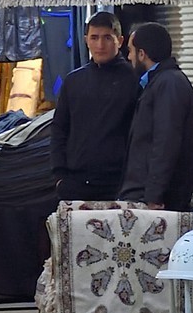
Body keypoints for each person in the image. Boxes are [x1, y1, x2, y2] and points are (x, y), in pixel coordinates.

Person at [50, 12, 140, 202]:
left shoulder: (134, 80)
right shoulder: (74, 81)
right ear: (86, 40)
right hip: (75, 183)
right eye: (94, 37)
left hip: (119, 185)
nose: (100, 45)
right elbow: (59, 129)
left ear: (120, 40)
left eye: (107, 38)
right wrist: (59, 175)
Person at [118, 21, 193, 212]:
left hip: (158, 199)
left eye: (131, 51)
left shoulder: (169, 84)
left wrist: (154, 195)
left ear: (142, 54)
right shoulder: (160, 83)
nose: (129, 57)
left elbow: (166, 142)